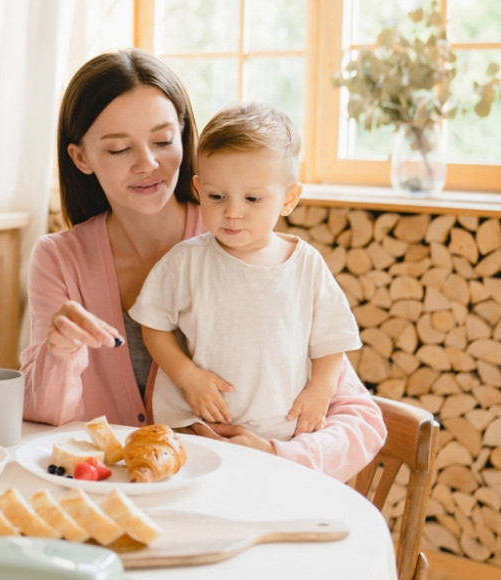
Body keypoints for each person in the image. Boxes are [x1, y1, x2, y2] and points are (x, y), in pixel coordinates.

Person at [20, 48, 386, 481]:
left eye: (162, 141)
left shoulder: (254, 244)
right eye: (119, 149)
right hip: (113, 493)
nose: (148, 164)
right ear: (81, 158)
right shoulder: (59, 259)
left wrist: (273, 454)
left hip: (237, 490)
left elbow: (361, 420)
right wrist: (60, 353)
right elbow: (41, 416)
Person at [129, 102, 362, 442]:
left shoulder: (305, 266)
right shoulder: (186, 262)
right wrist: (188, 376)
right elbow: (153, 326)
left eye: (252, 199)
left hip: (278, 433)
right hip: (198, 427)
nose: (233, 212)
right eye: (217, 196)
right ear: (198, 189)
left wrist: (321, 391)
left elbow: (332, 341)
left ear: (289, 199)